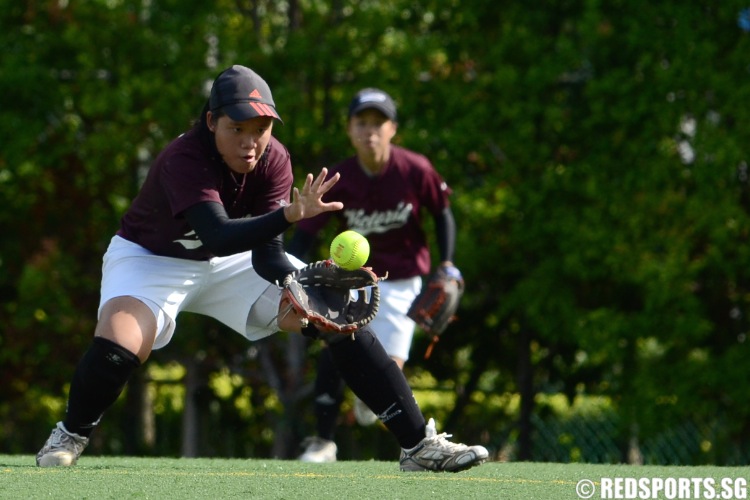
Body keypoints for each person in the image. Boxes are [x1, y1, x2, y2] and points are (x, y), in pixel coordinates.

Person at [36, 65, 488, 473]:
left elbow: (266, 255)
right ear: (211, 122)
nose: (251, 141)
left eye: (262, 128)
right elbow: (217, 234)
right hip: (152, 259)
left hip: (234, 262)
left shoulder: (274, 159)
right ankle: (70, 435)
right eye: (237, 128)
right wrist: (292, 216)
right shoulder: (184, 158)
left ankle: (418, 446)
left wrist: (307, 287)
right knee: (121, 344)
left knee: (339, 315)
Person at [288, 88, 462, 463]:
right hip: (353, 283)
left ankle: (378, 408)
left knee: (388, 365)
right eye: (361, 122)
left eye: (378, 123)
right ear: (349, 130)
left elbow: (442, 213)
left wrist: (447, 265)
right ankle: (323, 442)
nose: (370, 131)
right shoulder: (340, 177)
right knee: (333, 348)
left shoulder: (416, 169)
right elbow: (306, 234)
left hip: (402, 280)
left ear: (393, 129)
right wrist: (287, 271)